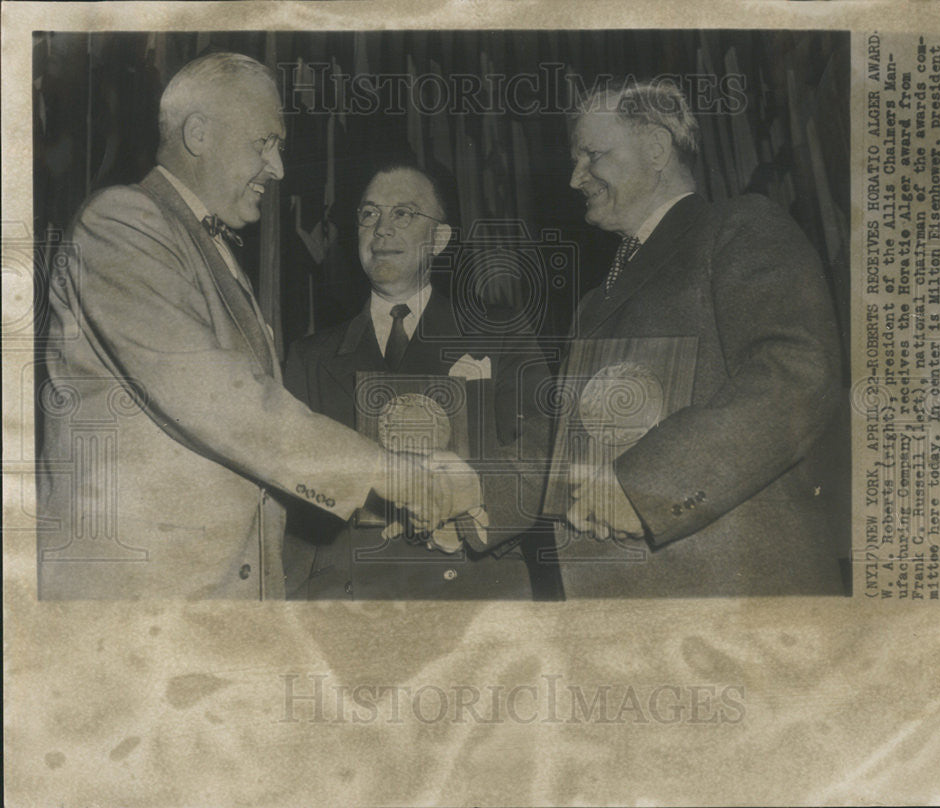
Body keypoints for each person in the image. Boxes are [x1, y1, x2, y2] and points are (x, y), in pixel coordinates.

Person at [36, 53, 478, 600]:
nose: (279, 168)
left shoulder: (203, 242)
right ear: (198, 133)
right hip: (143, 597)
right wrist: (391, 474)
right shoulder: (123, 221)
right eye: (264, 144)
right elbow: (216, 398)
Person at [556, 80, 844, 596]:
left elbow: (796, 375)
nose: (576, 177)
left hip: (739, 598)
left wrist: (650, 486)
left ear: (655, 148)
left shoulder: (741, 226)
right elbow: (563, 438)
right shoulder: (591, 302)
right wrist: (464, 491)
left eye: (591, 155)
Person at [283, 164, 557, 599]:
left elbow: (546, 450)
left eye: (404, 214)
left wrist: (470, 499)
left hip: (471, 589)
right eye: (369, 215)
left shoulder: (500, 334)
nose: (382, 230)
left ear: (440, 239)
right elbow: (290, 500)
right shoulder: (308, 357)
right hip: (346, 602)